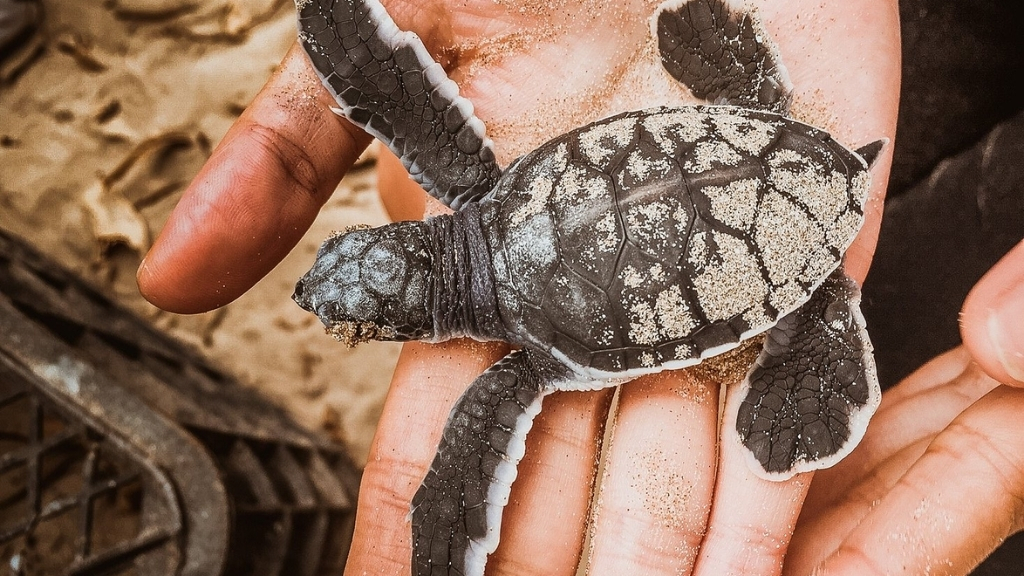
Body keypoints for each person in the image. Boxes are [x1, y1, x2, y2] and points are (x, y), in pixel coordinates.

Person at [136, 0, 1024, 573]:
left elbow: (451, 488)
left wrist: (440, 547)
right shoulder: (478, 188)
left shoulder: (516, 362)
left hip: (794, 223)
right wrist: (345, 34)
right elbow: (391, 89)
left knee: (893, 302)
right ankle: (758, 120)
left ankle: (815, 324)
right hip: (757, 136)